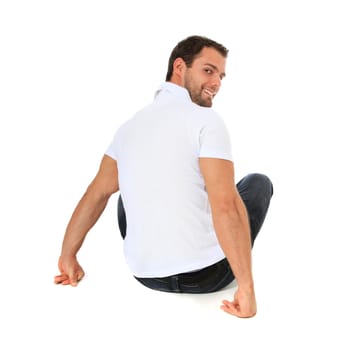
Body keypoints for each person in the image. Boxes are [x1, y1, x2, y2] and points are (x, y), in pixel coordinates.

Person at [54, 35, 273, 318]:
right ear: (179, 66)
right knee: (255, 183)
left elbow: (96, 193)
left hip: (146, 275)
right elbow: (225, 204)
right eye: (208, 71)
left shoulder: (129, 127)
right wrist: (246, 288)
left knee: (125, 192)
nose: (216, 83)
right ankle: (224, 262)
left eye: (221, 76)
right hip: (208, 276)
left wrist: (67, 256)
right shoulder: (206, 121)